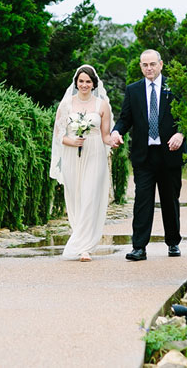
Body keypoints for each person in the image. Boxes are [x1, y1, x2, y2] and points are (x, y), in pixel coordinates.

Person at [110, 49, 185, 261]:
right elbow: (125, 118)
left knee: (170, 201)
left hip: (170, 153)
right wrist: (116, 132)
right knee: (142, 202)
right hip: (144, 156)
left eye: (153, 64)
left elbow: (186, 116)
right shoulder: (133, 90)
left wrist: (181, 134)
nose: (149, 68)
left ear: (161, 64)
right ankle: (139, 247)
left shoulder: (175, 87)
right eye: (145, 65)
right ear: (141, 67)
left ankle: (173, 243)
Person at [50, 65, 115, 262]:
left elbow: (105, 135)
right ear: (76, 83)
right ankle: (79, 238)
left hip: (94, 153)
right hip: (72, 154)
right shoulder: (66, 104)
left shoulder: (102, 105)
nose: (84, 85)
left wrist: (113, 141)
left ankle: (84, 247)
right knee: (76, 197)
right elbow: (59, 134)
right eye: (81, 81)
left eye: (88, 81)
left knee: (89, 196)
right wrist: (73, 141)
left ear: (94, 83)